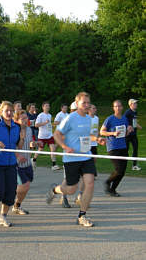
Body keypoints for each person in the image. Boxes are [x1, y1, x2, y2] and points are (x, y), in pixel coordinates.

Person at [47, 92, 105, 227]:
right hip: (71, 158)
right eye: (84, 103)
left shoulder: (89, 119)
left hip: (86, 156)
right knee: (71, 189)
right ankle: (55, 190)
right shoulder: (70, 118)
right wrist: (64, 146)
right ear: (77, 103)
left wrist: (97, 139)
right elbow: (56, 134)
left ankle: (82, 215)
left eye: (88, 103)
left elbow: (87, 136)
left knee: (90, 183)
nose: (87, 105)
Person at [100, 100, 133, 197]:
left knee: (122, 172)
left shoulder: (124, 119)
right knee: (119, 170)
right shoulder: (110, 119)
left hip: (123, 146)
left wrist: (129, 131)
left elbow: (124, 134)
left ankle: (112, 189)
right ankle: (107, 182)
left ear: (122, 107)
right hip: (113, 147)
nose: (118, 108)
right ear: (113, 108)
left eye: (119, 106)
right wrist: (112, 133)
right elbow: (102, 132)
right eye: (116, 106)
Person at [13, 110, 37, 215]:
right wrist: (18, 156)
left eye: (26, 118)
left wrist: (34, 143)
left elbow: (29, 143)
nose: (24, 120)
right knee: (25, 185)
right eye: (22, 118)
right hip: (17, 163)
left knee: (26, 187)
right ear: (16, 120)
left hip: (27, 162)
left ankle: (17, 206)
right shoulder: (14, 130)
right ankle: (9, 196)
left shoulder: (29, 130)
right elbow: (11, 146)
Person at [34, 102, 59, 171]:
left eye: (48, 106)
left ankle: (54, 164)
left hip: (49, 135)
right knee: (40, 149)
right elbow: (36, 125)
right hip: (42, 136)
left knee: (53, 149)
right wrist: (44, 123)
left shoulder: (50, 115)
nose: (48, 107)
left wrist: (51, 129)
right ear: (43, 107)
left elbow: (49, 125)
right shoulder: (40, 115)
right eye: (46, 106)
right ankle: (34, 159)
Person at [124, 99, 142, 171]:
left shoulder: (135, 112)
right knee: (126, 150)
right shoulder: (127, 112)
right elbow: (123, 121)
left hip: (134, 134)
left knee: (135, 149)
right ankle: (123, 165)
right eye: (134, 103)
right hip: (128, 135)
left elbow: (134, 122)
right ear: (130, 104)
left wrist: (138, 126)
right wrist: (128, 128)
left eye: (136, 103)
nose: (136, 104)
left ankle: (134, 165)